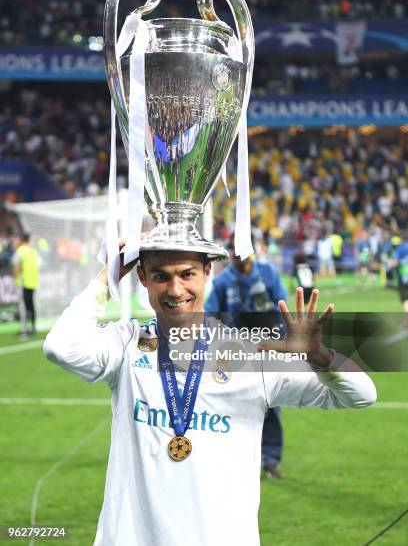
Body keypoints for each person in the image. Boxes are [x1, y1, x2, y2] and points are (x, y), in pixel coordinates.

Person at [44, 242, 376, 546]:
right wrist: (108, 276)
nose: (176, 290)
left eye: (187, 274)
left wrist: (321, 357)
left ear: (207, 273)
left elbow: (362, 394)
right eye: (161, 276)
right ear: (143, 277)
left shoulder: (249, 354)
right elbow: (61, 348)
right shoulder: (128, 343)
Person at [205, 244, 287, 478]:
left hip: (267, 349)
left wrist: (280, 338)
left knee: (271, 405)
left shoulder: (268, 272)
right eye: (235, 251)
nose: (238, 256)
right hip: (235, 352)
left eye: (243, 250)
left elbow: (282, 307)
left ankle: (270, 460)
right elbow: (211, 315)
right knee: (231, 404)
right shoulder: (223, 281)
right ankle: (232, 457)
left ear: (251, 251)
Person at [12, 232, 40, 336]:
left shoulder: (20, 251)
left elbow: (16, 266)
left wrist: (16, 279)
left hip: (23, 282)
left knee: (23, 307)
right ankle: (33, 328)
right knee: (32, 305)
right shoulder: (33, 251)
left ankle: (24, 329)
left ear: (22, 240)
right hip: (33, 282)